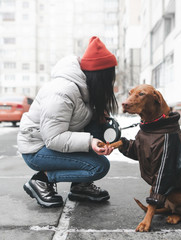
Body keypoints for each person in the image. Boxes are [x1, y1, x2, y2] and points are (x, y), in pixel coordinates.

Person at [17, 36, 118, 208]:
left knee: (98, 126)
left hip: (51, 144)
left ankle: (80, 186)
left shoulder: (84, 88)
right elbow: (53, 138)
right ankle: (42, 180)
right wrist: (90, 142)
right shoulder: (61, 92)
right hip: (37, 149)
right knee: (98, 167)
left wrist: (101, 121)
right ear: (98, 78)